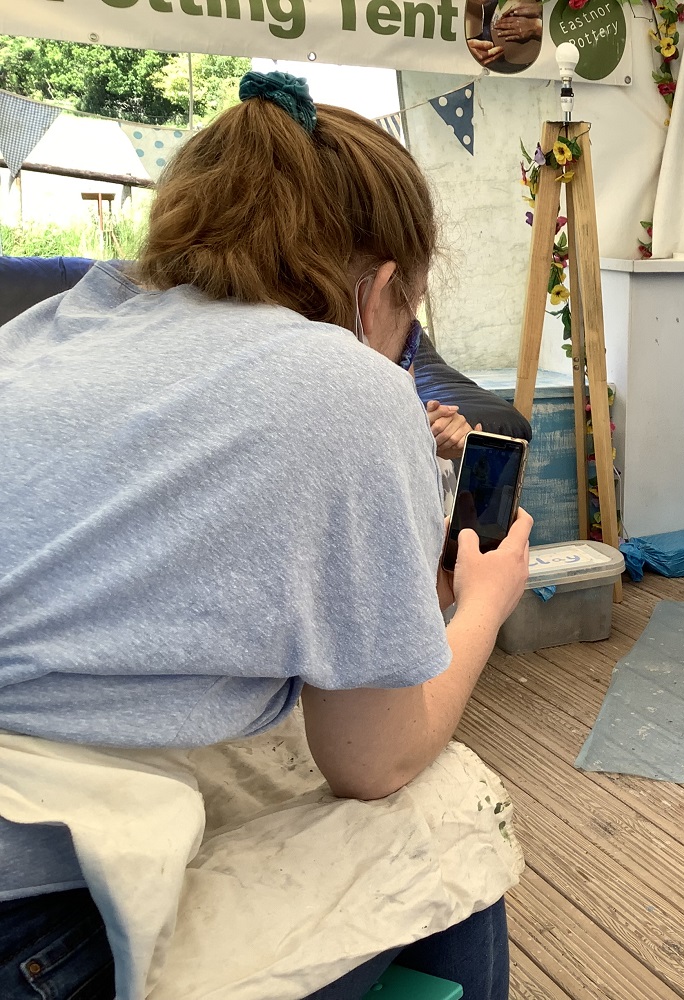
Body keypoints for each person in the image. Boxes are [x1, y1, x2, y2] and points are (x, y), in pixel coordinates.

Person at [0, 72, 529, 999]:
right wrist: (481, 605)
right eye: (407, 326)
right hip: (32, 926)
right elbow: (374, 761)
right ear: (382, 287)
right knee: (448, 807)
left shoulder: (50, 328)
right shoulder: (350, 387)